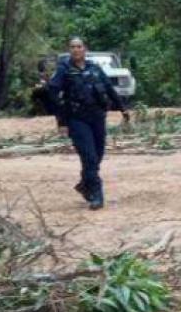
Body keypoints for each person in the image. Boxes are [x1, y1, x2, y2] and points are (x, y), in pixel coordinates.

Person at [48, 37, 130, 210]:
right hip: (77, 119)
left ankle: (85, 184)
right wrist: (61, 121)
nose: (76, 49)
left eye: (79, 46)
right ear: (69, 50)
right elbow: (53, 95)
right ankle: (96, 194)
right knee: (89, 157)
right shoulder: (64, 70)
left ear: (85, 49)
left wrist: (123, 108)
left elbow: (109, 88)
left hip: (98, 117)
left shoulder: (95, 68)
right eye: (73, 47)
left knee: (98, 155)